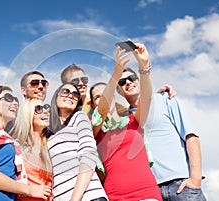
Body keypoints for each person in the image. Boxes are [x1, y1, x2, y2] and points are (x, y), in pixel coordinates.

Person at [116, 62, 206, 200]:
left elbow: (191, 136)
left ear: (139, 81)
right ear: (118, 91)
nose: (128, 82)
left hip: (182, 185)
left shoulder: (165, 99)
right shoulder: (124, 120)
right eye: (122, 81)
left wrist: (195, 179)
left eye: (132, 78)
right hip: (151, 192)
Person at [92, 43, 162, 200]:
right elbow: (102, 110)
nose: (105, 97)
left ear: (115, 96)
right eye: (98, 96)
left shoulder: (134, 120)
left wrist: (143, 68)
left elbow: (146, 98)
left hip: (147, 192)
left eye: (107, 92)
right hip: (115, 195)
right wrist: (116, 74)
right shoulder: (95, 131)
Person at [47, 83, 108, 201]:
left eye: (75, 94)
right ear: (56, 97)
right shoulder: (49, 132)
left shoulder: (79, 117)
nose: (71, 96)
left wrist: (74, 199)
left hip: (88, 196)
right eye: (65, 92)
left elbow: (89, 156)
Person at [11, 98, 53, 201]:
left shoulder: (52, 145)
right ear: (27, 114)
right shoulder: (15, 147)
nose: (45, 112)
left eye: (47, 108)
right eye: (39, 108)